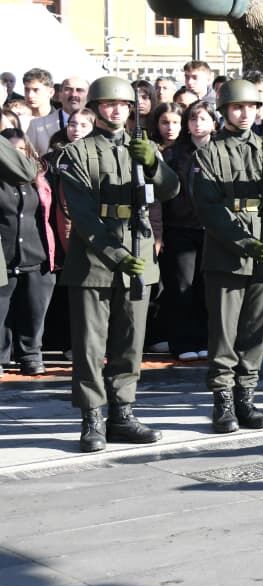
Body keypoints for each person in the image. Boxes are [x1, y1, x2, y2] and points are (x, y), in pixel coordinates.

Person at [55, 76, 181, 451]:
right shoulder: (76, 153)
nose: (116, 110)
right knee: (90, 345)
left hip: (139, 254)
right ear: (94, 109)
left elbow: (171, 191)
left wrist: (155, 166)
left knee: (130, 342)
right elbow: (82, 214)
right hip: (94, 262)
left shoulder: (143, 148)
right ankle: (92, 417)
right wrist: (116, 255)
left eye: (123, 105)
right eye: (108, 104)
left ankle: (122, 413)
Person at [188, 79, 263, 433]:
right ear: (223, 111)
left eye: (251, 107)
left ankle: (246, 397)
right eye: (238, 107)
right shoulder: (208, 152)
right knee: (224, 332)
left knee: (255, 330)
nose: (245, 113)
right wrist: (241, 241)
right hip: (228, 251)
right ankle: (222, 400)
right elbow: (208, 207)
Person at [159, 101, 217, 362]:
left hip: (213, 229)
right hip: (180, 227)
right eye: (193, 119)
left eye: (203, 119)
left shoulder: (220, 150)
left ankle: (205, 338)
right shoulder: (174, 153)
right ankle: (182, 341)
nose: (197, 124)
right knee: (182, 286)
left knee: (207, 288)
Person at [0, 129, 56, 377]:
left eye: (20, 150)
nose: (16, 156)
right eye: (10, 151)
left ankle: (30, 355)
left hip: (37, 254)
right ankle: (2, 356)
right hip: (5, 253)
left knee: (34, 311)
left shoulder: (41, 177)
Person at [27, 74, 87, 157]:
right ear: (60, 94)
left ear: (88, 95)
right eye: (68, 89)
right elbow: (28, 160)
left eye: (79, 90)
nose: (74, 94)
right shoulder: (36, 125)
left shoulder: (97, 125)